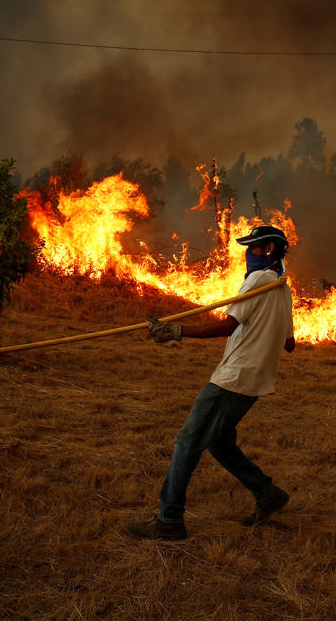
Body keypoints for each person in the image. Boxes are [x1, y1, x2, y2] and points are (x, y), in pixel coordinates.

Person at [125, 225, 296, 540]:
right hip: (255, 381)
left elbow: (228, 326)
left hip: (234, 378)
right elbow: (289, 344)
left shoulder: (259, 281)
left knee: (187, 441)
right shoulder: (283, 290)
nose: (248, 254)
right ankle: (267, 493)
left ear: (270, 249)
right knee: (218, 442)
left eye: (254, 248)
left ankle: (169, 520)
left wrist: (177, 332)